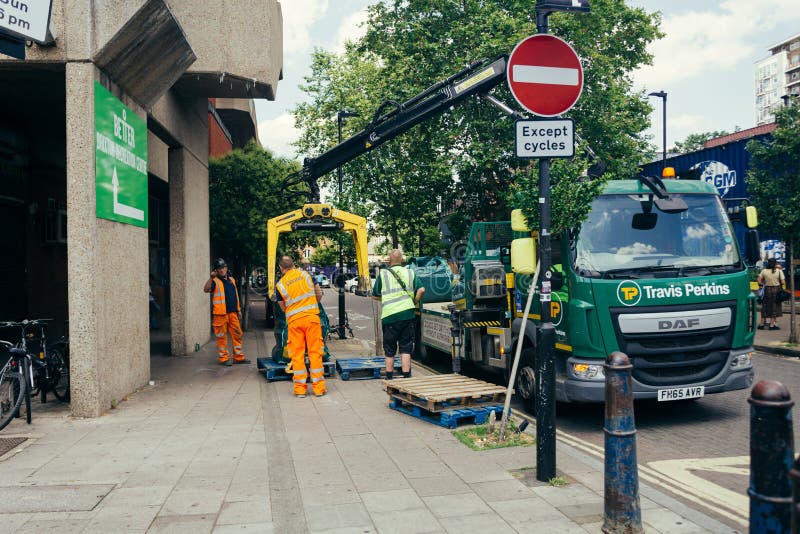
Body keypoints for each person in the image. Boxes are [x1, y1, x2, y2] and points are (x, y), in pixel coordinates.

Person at [275, 256, 325, 398]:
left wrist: (293, 311)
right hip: (312, 318)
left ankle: (300, 389)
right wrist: (312, 304)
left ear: (281, 268)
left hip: (295, 322)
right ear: (293, 264)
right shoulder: (306, 274)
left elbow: (282, 307)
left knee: (297, 355)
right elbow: (319, 293)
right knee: (315, 352)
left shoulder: (280, 284)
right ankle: (319, 388)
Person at [372, 249, 425, 379]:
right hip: (407, 314)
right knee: (406, 348)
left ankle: (389, 377)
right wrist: (414, 301)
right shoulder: (410, 272)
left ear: (389, 261)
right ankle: (406, 377)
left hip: (389, 316)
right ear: (402, 260)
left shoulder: (383, 274)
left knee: (389, 349)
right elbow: (422, 290)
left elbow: (375, 295)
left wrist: (386, 299)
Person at [203, 258, 249, 365]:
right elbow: (205, 289)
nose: (222, 270)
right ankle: (224, 359)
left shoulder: (231, 280)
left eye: (223, 267)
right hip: (220, 314)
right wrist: (211, 278)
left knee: (237, 334)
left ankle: (238, 357)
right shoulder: (214, 281)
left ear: (226, 268)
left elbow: (235, 296)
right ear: (216, 270)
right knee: (221, 337)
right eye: (219, 268)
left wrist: (239, 310)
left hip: (233, 313)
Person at [758, 257, 786, 330]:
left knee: (765, 306)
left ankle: (761, 324)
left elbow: (759, 280)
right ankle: (771, 325)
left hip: (767, 290)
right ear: (775, 263)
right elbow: (783, 282)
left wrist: (762, 284)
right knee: (775, 306)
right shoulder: (779, 271)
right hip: (776, 290)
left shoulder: (764, 271)